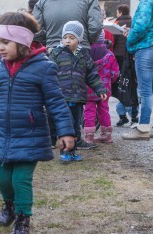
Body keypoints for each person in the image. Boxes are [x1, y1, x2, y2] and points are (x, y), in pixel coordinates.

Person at [0, 12, 75, 234]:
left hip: (30, 135)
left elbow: (56, 103)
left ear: (23, 43)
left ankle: (23, 220)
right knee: (0, 177)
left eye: (5, 43)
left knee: (20, 179)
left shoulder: (43, 68)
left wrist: (66, 131)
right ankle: (9, 204)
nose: (0, 48)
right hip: (3, 135)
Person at [48, 21, 108, 161]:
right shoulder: (56, 54)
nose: (68, 41)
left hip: (78, 97)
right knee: (66, 126)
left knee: (75, 126)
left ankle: (73, 151)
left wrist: (100, 89)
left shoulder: (84, 55)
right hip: (61, 97)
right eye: (65, 37)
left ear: (79, 39)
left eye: (72, 37)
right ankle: (64, 151)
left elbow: (92, 74)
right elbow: (48, 74)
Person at [121, 0, 152, 140]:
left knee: (145, 91)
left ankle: (144, 128)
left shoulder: (146, 2)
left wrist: (129, 39)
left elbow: (140, 27)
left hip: (145, 49)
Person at [84, 32, 119, 143]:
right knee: (104, 110)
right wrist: (109, 81)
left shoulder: (85, 54)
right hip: (105, 88)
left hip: (89, 87)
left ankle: (89, 136)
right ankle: (106, 135)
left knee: (89, 111)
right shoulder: (109, 54)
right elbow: (115, 73)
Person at [33, 0, 104, 50]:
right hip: (80, 49)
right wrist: (86, 41)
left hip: (53, 50)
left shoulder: (41, 2)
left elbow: (35, 29)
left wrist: (49, 42)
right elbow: (96, 27)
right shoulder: (90, 1)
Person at [113, 4, 139, 127]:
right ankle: (131, 115)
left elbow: (113, 40)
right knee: (131, 85)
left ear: (120, 12)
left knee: (122, 85)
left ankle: (126, 115)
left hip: (118, 56)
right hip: (132, 56)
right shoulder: (133, 21)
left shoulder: (117, 23)